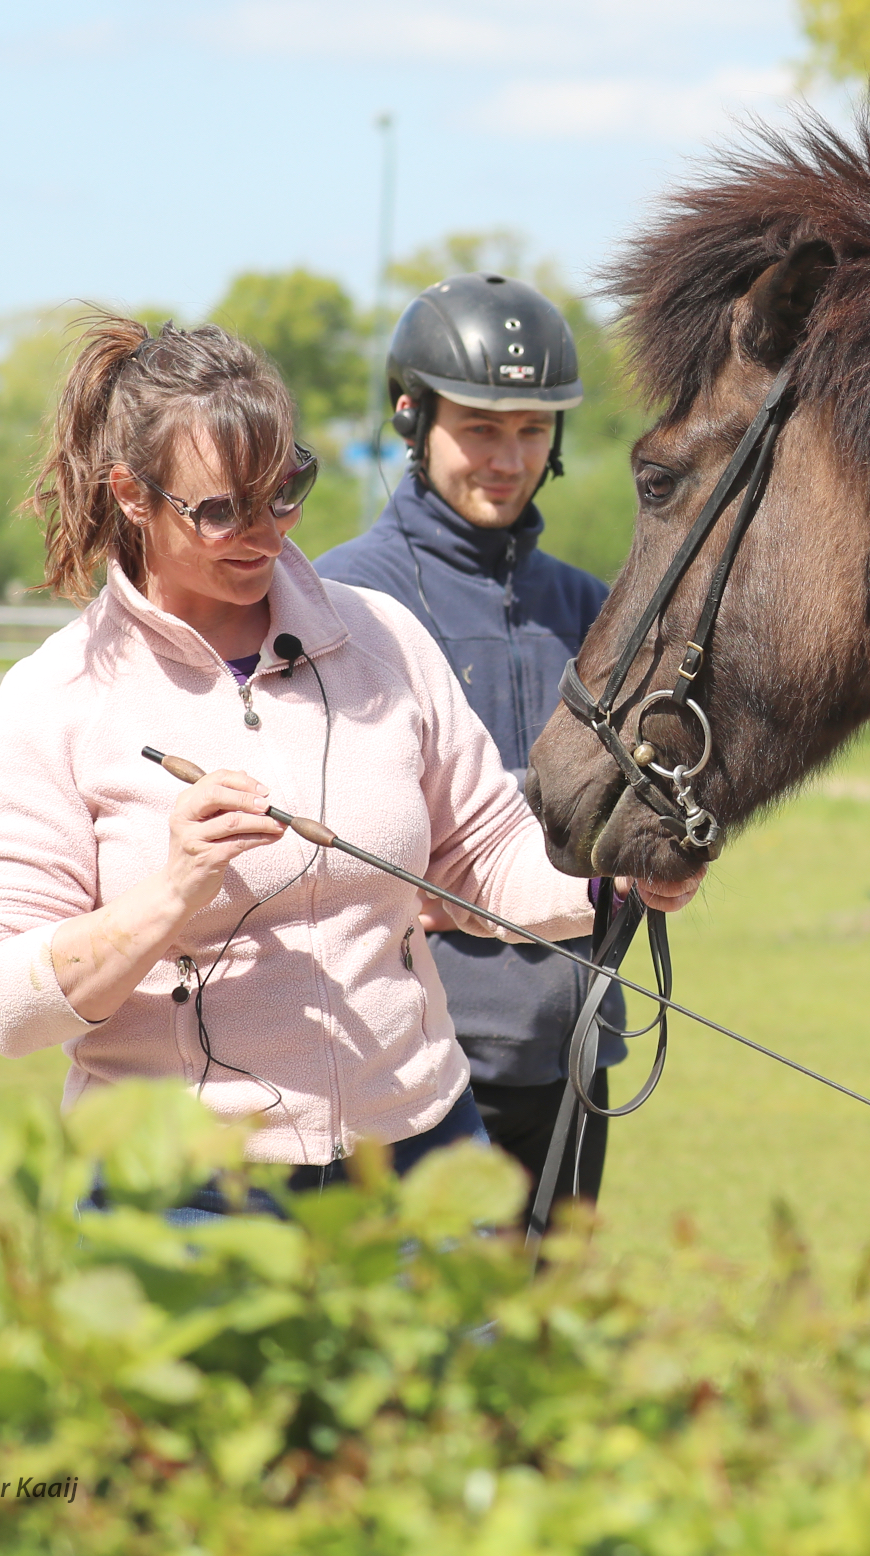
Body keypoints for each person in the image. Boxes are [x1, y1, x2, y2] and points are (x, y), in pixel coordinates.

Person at [0, 314, 694, 1206]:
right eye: (220, 510)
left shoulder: (382, 637)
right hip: (183, 1196)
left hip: (418, 1158)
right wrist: (169, 896)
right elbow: (5, 1003)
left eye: (284, 495)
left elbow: (486, 854)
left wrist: (615, 878)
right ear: (131, 495)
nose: (264, 536)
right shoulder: (52, 702)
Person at [315, 272, 623, 1210]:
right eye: (482, 428)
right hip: (411, 1068)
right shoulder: (344, 602)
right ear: (413, 418)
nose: (510, 457)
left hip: (570, 1055)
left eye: (533, 430)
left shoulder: (588, 607)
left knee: (545, 1343)